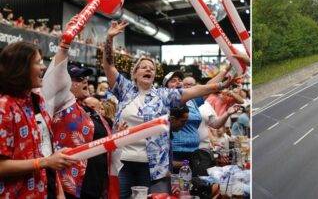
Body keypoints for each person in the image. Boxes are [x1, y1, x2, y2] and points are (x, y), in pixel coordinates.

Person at [102, 21, 233, 198]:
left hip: (155, 166)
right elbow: (108, 65)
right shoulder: (124, 90)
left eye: (152, 68)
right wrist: (109, 38)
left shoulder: (163, 95)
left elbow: (192, 91)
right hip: (126, 163)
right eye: (143, 67)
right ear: (134, 73)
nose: (149, 69)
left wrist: (218, 85)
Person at [42, 16, 120, 198]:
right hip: (71, 186)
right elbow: (56, 76)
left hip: (97, 183)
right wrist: (65, 44)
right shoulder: (62, 102)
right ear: (65, 84)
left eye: (85, 77)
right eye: (78, 78)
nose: (85, 80)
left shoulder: (92, 110)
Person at [0, 42, 77, 198]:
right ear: (20, 68)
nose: (43, 67)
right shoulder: (4, 107)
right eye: (38, 62)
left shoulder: (38, 101)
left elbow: (46, 151)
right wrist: (45, 162)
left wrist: (58, 190)